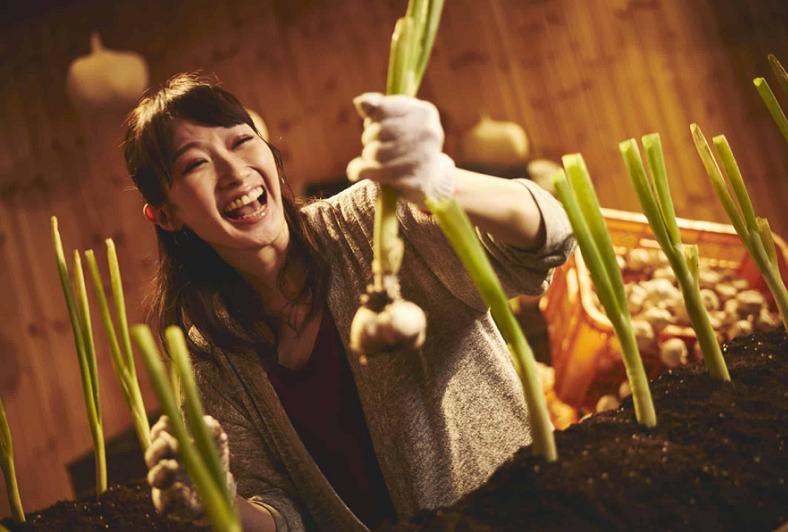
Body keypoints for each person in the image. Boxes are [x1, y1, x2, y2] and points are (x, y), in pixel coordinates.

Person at [127, 74, 575, 532]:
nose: (233, 171)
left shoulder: (372, 222)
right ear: (166, 215)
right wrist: (218, 504)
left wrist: (436, 179)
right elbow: (283, 517)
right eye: (195, 164)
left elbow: (551, 238)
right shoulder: (215, 357)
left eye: (241, 141)